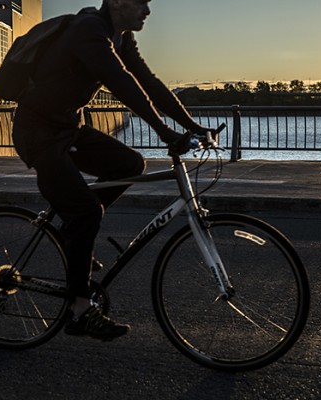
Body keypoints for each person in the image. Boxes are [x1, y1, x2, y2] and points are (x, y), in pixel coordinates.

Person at [11, 0, 212, 341]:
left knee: (131, 164)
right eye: (141, 2)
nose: (148, 10)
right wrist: (165, 133)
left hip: (68, 129)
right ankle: (78, 311)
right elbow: (122, 84)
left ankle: (73, 233)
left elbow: (148, 82)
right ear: (117, 2)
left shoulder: (119, 37)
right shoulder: (88, 31)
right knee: (87, 210)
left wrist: (192, 126)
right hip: (38, 134)